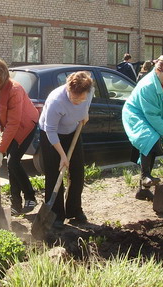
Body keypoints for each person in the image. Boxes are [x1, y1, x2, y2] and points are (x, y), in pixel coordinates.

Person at [122, 53, 163, 201]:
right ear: (157, 71)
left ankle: (144, 190)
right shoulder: (148, 86)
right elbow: (151, 116)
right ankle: (145, 176)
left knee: (152, 145)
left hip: (154, 113)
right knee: (149, 139)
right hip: (137, 113)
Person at [0, 57, 39, 216]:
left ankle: (30, 197)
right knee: (11, 164)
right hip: (9, 127)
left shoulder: (15, 90)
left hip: (25, 125)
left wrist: (0, 149)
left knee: (13, 162)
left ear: (2, 75)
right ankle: (16, 204)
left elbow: (14, 123)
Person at [39, 71, 94, 229]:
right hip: (52, 135)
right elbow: (50, 130)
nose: (77, 101)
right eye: (73, 97)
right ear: (68, 89)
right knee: (54, 173)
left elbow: (86, 103)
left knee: (78, 173)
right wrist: (63, 156)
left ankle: (74, 210)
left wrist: (85, 113)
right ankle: (56, 214)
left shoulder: (89, 92)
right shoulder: (57, 100)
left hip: (73, 132)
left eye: (80, 98)